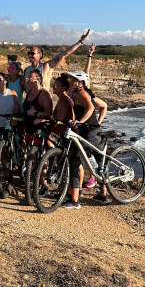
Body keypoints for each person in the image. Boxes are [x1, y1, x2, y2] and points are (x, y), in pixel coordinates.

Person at [61, 70, 98, 209]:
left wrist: (80, 121)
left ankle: (76, 200)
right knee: (75, 161)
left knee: (80, 161)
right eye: (71, 79)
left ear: (81, 82)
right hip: (81, 131)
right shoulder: (73, 93)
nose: (70, 81)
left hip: (90, 131)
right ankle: (75, 199)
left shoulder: (82, 93)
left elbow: (90, 108)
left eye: (73, 80)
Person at [24, 29, 91, 92]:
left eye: (32, 53)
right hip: (29, 101)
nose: (30, 55)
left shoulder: (47, 66)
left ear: (40, 55)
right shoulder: (26, 70)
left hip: (42, 102)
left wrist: (80, 41)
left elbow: (65, 54)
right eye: (29, 53)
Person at [82, 43, 109, 191]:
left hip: (92, 129)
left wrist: (99, 121)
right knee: (92, 156)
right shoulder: (78, 94)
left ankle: (95, 181)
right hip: (83, 128)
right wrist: (89, 55)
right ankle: (101, 190)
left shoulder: (89, 95)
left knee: (92, 155)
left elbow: (104, 105)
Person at [22, 69, 53, 144]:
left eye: (31, 79)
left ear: (39, 80)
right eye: (27, 79)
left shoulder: (44, 94)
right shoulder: (29, 91)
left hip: (40, 128)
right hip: (29, 127)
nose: (28, 81)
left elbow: (49, 113)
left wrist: (36, 113)